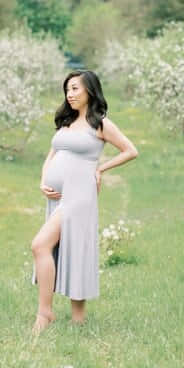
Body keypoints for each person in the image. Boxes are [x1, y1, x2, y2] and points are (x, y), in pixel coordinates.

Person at [31, 70, 138, 333]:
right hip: (57, 196)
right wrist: (43, 181)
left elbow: (130, 150)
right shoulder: (65, 122)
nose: (70, 94)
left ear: (90, 90)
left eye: (76, 88)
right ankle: (78, 320)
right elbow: (52, 153)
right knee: (70, 248)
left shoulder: (100, 123)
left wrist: (100, 169)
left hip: (79, 194)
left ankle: (45, 313)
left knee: (40, 245)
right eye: (67, 89)